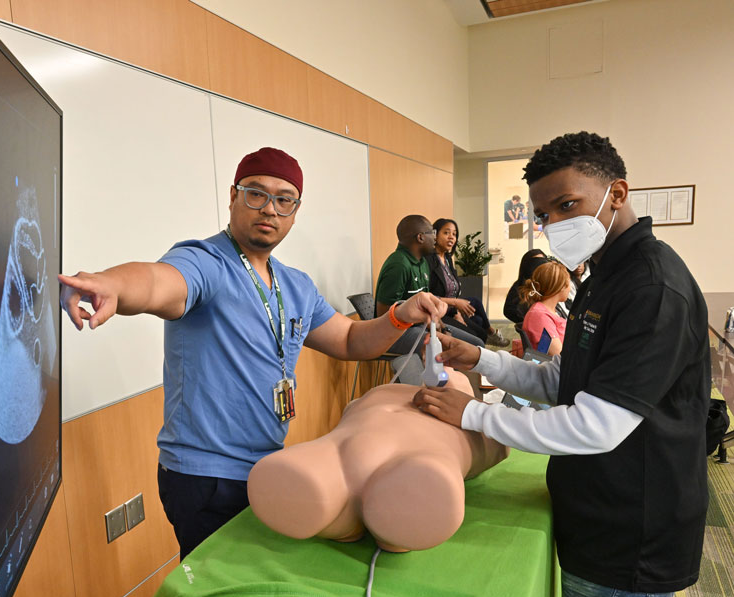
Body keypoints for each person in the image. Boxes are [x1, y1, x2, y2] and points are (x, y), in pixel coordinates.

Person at [412, 131, 710, 597]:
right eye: (545, 214)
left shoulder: (652, 286)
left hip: (632, 529)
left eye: (567, 205)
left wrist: (476, 415)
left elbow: (597, 423)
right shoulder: (602, 276)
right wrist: (486, 361)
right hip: (599, 511)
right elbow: (569, 381)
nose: (553, 224)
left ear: (616, 193)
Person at [59, 147, 445, 559]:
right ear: (233, 196)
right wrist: (113, 285)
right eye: (256, 194)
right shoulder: (205, 262)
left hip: (266, 467)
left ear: (295, 212)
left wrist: (400, 316)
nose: (269, 209)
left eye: (284, 200)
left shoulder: (294, 285)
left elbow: (350, 340)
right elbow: (157, 282)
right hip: (205, 476)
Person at [247, 373, 508, 552]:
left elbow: (353, 407)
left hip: (359, 440)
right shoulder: (477, 422)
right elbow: (500, 447)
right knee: (430, 465)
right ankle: (380, 520)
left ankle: (333, 503)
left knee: (334, 456)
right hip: (395, 449)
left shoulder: (475, 417)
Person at [374, 214, 482, 384]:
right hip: (396, 333)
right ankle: (438, 395)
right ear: (420, 237)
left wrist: (441, 326)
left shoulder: (421, 263)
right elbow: (383, 316)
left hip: (421, 327)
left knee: (476, 345)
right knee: (447, 348)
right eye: (433, 232)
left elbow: (428, 304)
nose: (435, 236)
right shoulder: (399, 265)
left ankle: (464, 396)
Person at [426, 217, 510, 347]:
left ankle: (490, 334)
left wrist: (457, 312)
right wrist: (455, 307)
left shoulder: (447, 258)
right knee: (478, 337)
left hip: (451, 309)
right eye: (446, 233)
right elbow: (428, 296)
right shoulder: (428, 260)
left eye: (454, 234)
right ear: (435, 235)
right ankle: (490, 336)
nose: (451, 237)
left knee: (478, 322)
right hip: (438, 313)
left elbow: (454, 292)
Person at [518, 260, 570, 356]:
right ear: (562, 286)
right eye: (568, 283)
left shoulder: (546, 311)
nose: (569, 288)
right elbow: (558, 355)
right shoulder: (539, 316)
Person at [502, 248, 548, 324]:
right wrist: (527, 321)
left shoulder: (548, 286)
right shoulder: (519, 287)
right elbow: (509, 310)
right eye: (536, 263)